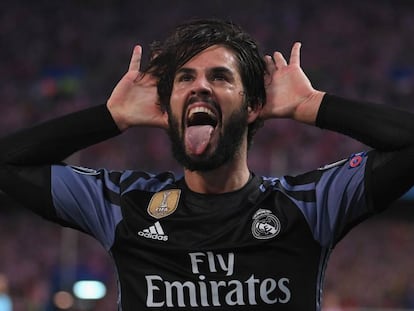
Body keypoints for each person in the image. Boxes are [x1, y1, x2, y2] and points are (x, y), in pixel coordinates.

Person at [0, 18, 413, 311]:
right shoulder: (126, 205)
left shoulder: (310, 204)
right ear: (167, 106)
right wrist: (111, 117)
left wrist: (313, 105)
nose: (200, 85)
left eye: (219, 77)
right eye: (185, 78)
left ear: (252, 105)